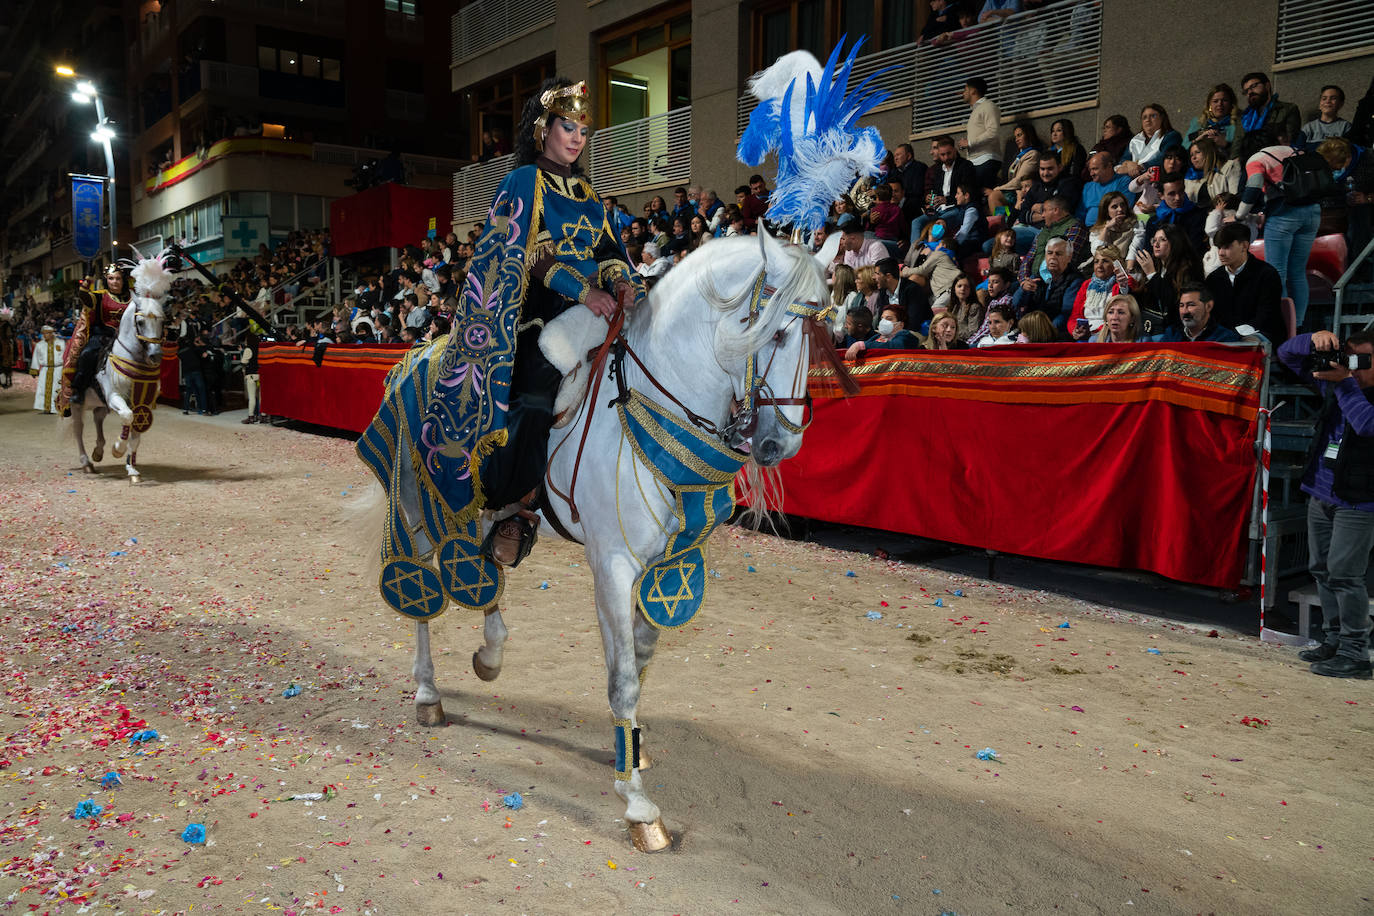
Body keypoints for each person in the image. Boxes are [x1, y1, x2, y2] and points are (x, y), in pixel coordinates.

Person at [417, 77, 647, 568]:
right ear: (544, 128)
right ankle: (515, 507)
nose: (577, 138)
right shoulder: (524, 181)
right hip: (537, 311)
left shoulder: (587, 192)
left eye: (584, 131)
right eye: (569, 127)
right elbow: (525, 254)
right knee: (536, 395)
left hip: (595, 309)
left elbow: (609, 252)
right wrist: (584, 290)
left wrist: (624, 284)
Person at [1277, 328, 1374, 679]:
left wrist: (1345, 382)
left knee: (1347, 576)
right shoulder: (1337, 383)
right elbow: (1286, 354)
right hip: (1322, 492)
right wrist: (1314, 340)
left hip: (1359, 502)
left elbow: (1366, 425)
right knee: (1321, 570)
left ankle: (1356, 654)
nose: (1353, 367)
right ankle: (1334, 640)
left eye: (1362, 361)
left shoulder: (1346, 386)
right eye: (1348, 358)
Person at [1236, 144, 1324, 327]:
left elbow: (1254, 187)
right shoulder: (1292, 149)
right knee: (1298, 272)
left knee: (1277, 273)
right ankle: (1297, 324)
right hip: (1313, 211)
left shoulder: (1256, 159)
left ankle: (1283, 325)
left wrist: (1239, 215)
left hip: (1284, 213)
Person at [58, 264, 133, 417]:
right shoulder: (99, 296)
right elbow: (83, 295)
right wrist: (88, 279)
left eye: (118, 278)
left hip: (127, 338)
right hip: (102, 337)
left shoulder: (132, 298)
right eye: (111, 278)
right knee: (87, 354)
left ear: (123, 280)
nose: (115, 282)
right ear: (106, 280)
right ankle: (78, 391)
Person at [1205, 222, 1284, 343]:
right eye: (1219, 247)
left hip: (1260, 333)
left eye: (1227, 247)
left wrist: (1234, 334)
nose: (1221, 253)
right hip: (1223, 337)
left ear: (1244, 246)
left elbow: (1267, 315)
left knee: (1246, 344)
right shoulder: (1214, 278)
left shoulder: (1267, 274)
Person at [1317, 138, 1374, 284]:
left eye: (1335, 167)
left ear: (1348, 158)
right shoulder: (1326, 162)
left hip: (1364, 211)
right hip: (1335, 208)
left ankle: (1360, 276)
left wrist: (1367, 198)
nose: (1334, 171)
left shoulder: (1369, 160)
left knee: (1360, 219)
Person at [1137, 223, 1204, 335]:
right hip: (1151, 328)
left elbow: (1172, 302)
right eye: (1154, 240)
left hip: (1177, 331)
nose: (1156, 244)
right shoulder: (1155, 266)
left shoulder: (1189, 269)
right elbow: (1145, 302)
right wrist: (1125, 287)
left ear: (1175, 242)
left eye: (1162, 240)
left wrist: (1151, 274)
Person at [1235, 72, 1302, 162]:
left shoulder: (1287, 109)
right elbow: (1236, 148)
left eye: (1253, 86)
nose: (1250, 92)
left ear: (1267, 85)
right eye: (1246, 91)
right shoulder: (1244, 118)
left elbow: (1290, 142)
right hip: (1248, 162)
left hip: (1276, 160)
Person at [1068, 246, 1132, 339]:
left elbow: (1128, 291)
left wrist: (1093, 333)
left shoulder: (1123, 282)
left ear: (1115, 265)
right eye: (1096, 261)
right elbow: (1075, 316)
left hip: (1109, 333)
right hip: (1085, 334)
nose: (1099, 265)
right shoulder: (1087, 284)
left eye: (1105, 261)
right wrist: (1075, 330)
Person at [1156, 282, 1242, 342]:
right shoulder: (1171, 334)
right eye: (1181, 305)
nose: (1184, 311)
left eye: (1191, 305)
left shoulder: (1225, 338)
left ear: (1208, 306)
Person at [1144, 178, 1208, 257]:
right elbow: (1149, 251)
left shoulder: (1198, 215)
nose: (1178, 198)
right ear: (1161, 196)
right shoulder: (1154, 221)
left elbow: (1195, 248)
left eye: (1181, 192)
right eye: (1171, 194)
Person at [958, 77, 1002, 189]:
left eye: (965, 89)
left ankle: (1005, 208)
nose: (962, 93)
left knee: (991, 195)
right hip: (976, 161)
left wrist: (970, 143)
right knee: (981, 199)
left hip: (986, 160)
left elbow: (993, 132)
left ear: (973, 91)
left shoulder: (988, 106)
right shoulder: (976, 109)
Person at [1117, 104, 1183, 177]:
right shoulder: (1135, 139)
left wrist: (1140, 167)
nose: (1148, 120)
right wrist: (1128, 163)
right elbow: (1123, 160)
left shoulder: (1171, 136)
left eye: (1153, 116)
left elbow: (1164, 158)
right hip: (1131, 179)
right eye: (1144, 117)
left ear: (1162, 118)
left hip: (1157, 178)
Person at [1184, 84, 1241, 159]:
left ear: (1231, 104)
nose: (1219, 104)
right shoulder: (1199, 123)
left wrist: (1225, 144)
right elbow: (1183, 149)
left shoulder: (1240, 123)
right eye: (1215, 101)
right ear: (1209, 104)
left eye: (1224, 100)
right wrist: (1197, 141)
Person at [1079, 151, 1135, 226]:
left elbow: (1124, 209)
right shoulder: (1088, 186)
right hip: (1087, 230)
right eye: (1090, 170)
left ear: (1109, 166)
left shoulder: (1123, 182)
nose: (1091, 174)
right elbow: (1080, 214)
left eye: (1095, 169)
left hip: (1111, 227)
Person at [845, 304, 920, 358]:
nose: (883, 322)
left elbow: (896, 346)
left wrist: (861, 345)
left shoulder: (906, 336)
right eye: (882, 318)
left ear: (901, 325)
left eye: (889, 319)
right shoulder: (876, 337)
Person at [1186, 137, 1242, 208]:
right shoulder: (1199, 176)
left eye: (1197, 152)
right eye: (1191, 155)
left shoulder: (1230, 166)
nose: (1193, 157)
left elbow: (1235, 197)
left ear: (1208, 152)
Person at [29, 324, 64, 413]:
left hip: (58, 369)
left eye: (47, 333)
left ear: (52, 333)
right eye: (43, 333)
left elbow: (65, 356)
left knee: (57, 388)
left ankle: (57, 407)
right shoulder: (39, 345)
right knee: (43, 388)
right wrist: (34, 369)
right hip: (45, 370)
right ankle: (46, 408)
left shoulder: (61, 343)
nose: (45, 335)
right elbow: (35, 357)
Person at [1048, 118, 1086, 183]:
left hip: (1068, 185)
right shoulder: (1048, 152)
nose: (1054, 134)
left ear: (1067, 132)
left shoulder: (1076, 149)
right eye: (1053, 131)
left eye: (1059, 130)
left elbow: (1075, 173)